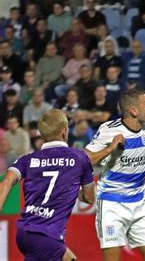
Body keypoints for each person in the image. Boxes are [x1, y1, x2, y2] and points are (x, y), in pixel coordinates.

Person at [84, 88, 145, 260]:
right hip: (111, 204)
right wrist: (110, 149)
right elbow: (84, 159)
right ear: (133, 110)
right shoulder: (108, 130)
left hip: (139, 203)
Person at [0, 109, 95, 260]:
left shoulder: (28, 159)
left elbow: (6, 182)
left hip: (24, 233)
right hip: (47, 236)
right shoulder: (79, 158)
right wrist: (69, 187)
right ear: (64, 131)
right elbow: (89, 198)